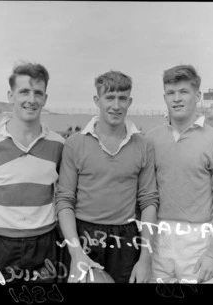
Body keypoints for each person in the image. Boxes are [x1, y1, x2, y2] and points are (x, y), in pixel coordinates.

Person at [55, 70, 159, 283]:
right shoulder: (75, 144)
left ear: (130, 101)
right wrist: (75, 252)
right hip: (82, 235)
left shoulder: (143, 145)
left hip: (126, 239)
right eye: (109, 97)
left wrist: (145, 259)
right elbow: (64, 199)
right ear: (97, 100)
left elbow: (148, 201)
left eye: (122, 98)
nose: (116, 105)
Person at [0, 62, 65, 283]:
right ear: (10, 95)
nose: (31, 100)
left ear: (45, 98)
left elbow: (69, 192)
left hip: (45, 245)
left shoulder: (59, 145)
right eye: (24, 92)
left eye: (38, 93)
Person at [146, 65, 213, 284]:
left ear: (197, 96)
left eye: (183, 92)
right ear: (164, 97)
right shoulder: (151, 139)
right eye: (171, 93)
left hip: (198, 239)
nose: (177, 99)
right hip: (159, 236)